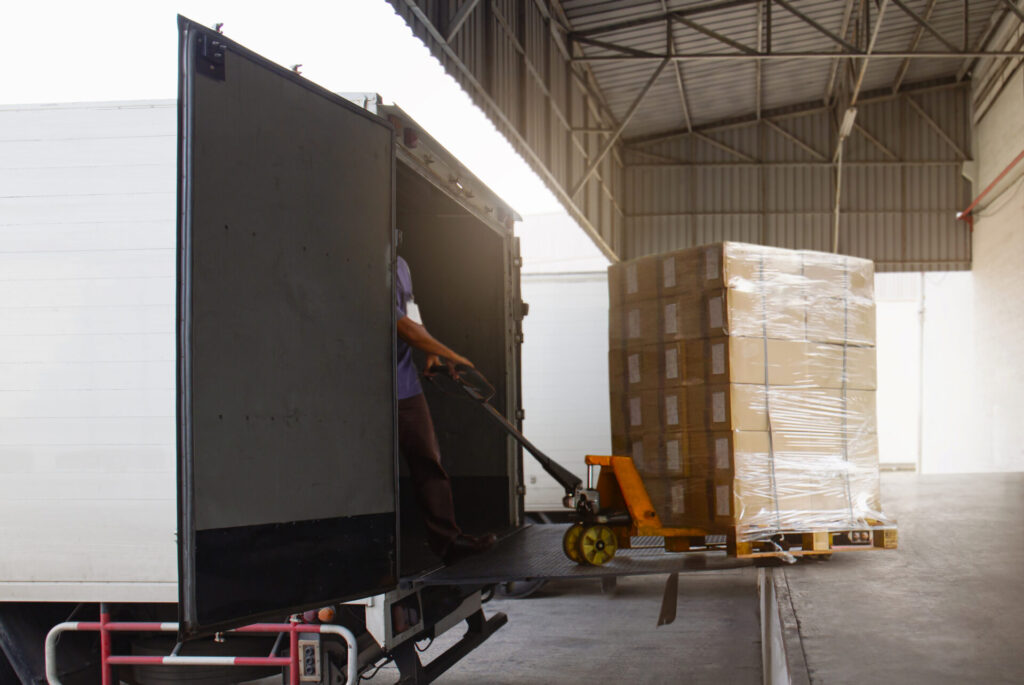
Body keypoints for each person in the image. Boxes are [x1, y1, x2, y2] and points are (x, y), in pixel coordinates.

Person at [394, 254, 496, 563]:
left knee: (428, 460)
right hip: (367, 389)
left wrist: (431, 354)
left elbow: (411, 311)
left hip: (404, 383)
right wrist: (450, 353)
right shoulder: (365, 262)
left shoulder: (399, 263)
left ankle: (449, 543)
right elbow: (401, 327)